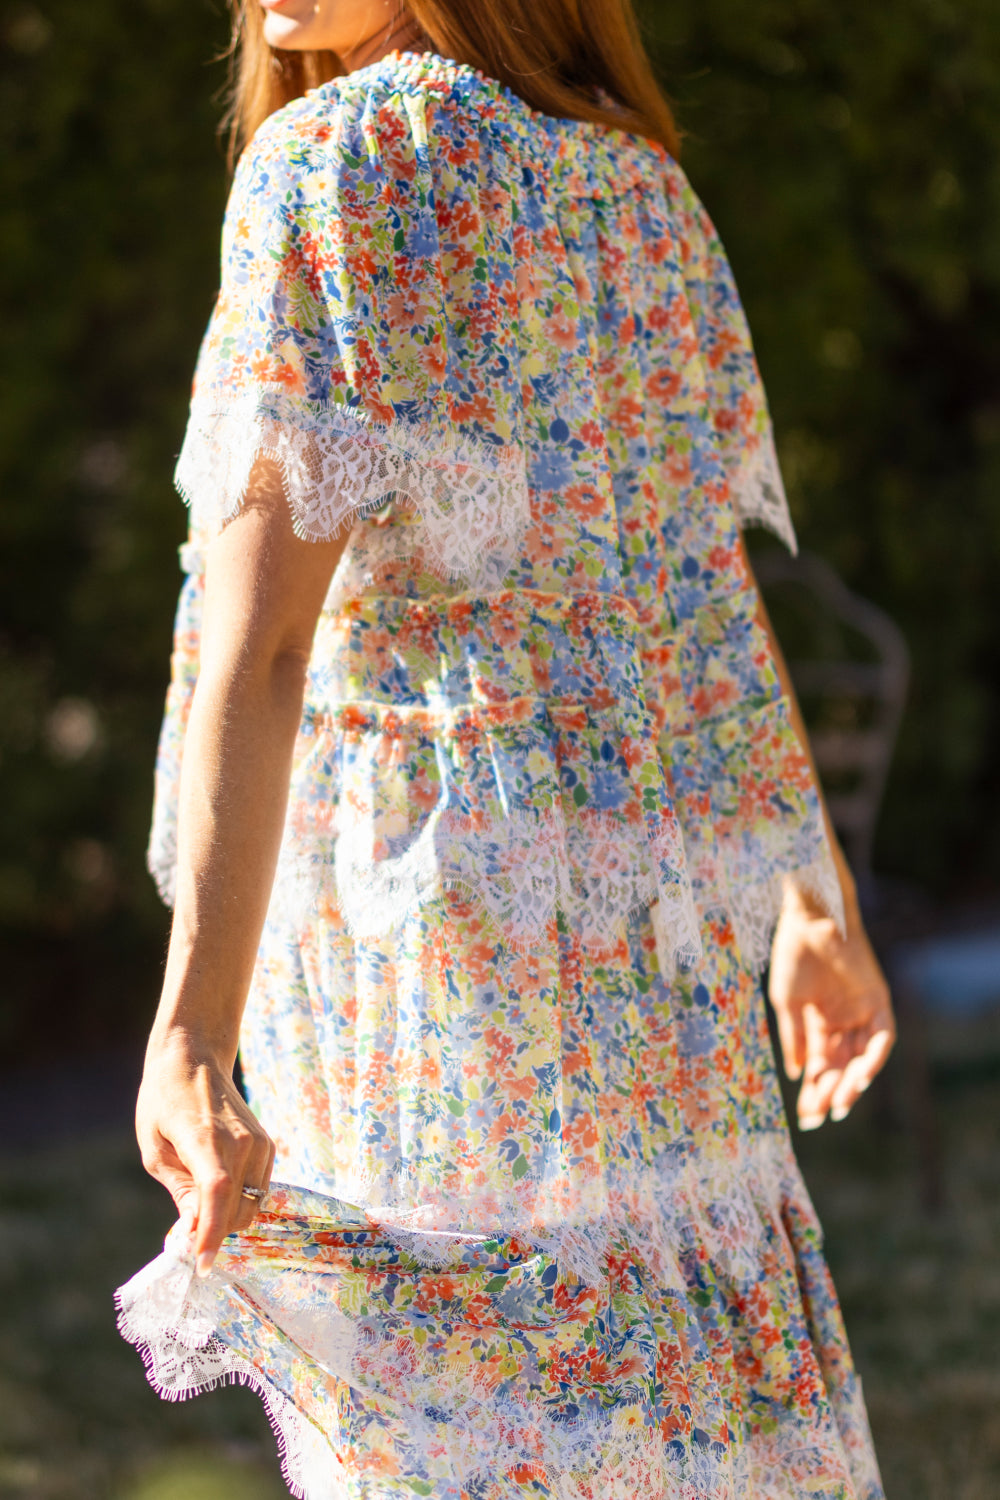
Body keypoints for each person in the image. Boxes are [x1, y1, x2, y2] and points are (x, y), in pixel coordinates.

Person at [116, 2, 896, 1496]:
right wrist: (810, 905)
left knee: (463, 1438)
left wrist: (189, 1037)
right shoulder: (642, 190)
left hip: (433, 944)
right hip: (644, 944)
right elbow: (701, 601)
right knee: (679, 1425)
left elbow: (262, 648)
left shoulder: (328, 164)